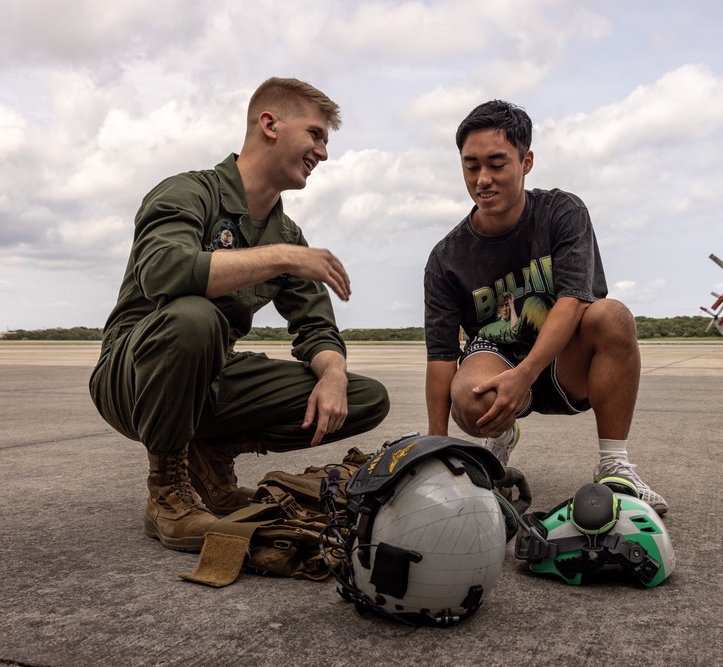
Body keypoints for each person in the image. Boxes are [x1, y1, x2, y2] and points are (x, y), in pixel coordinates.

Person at [89, 77, 391, 552]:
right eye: (315, 135)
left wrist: (333, 372)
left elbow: (316, 327)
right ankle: (167, 492)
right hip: (133, 375)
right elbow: (164, 272)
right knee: (194, 318)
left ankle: (210, 456)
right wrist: (281, 258)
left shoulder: (286, 232)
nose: (323, 153)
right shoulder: (188, 193)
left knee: (364, 396)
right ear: (269, 124)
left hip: (209, 380)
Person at [423, 100, 667, 514]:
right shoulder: (447, 257)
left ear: (526, 161)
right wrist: (433, 447)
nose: (483, 179)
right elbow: (442, 356)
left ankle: (615, 465)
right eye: (471, 166)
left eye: (497, 164)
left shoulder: (561, 212)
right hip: (497, 358)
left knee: (613, 316)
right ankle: (499, 438)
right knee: (469, 395)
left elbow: (573, 300)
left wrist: (527, 375)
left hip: (564, 356)